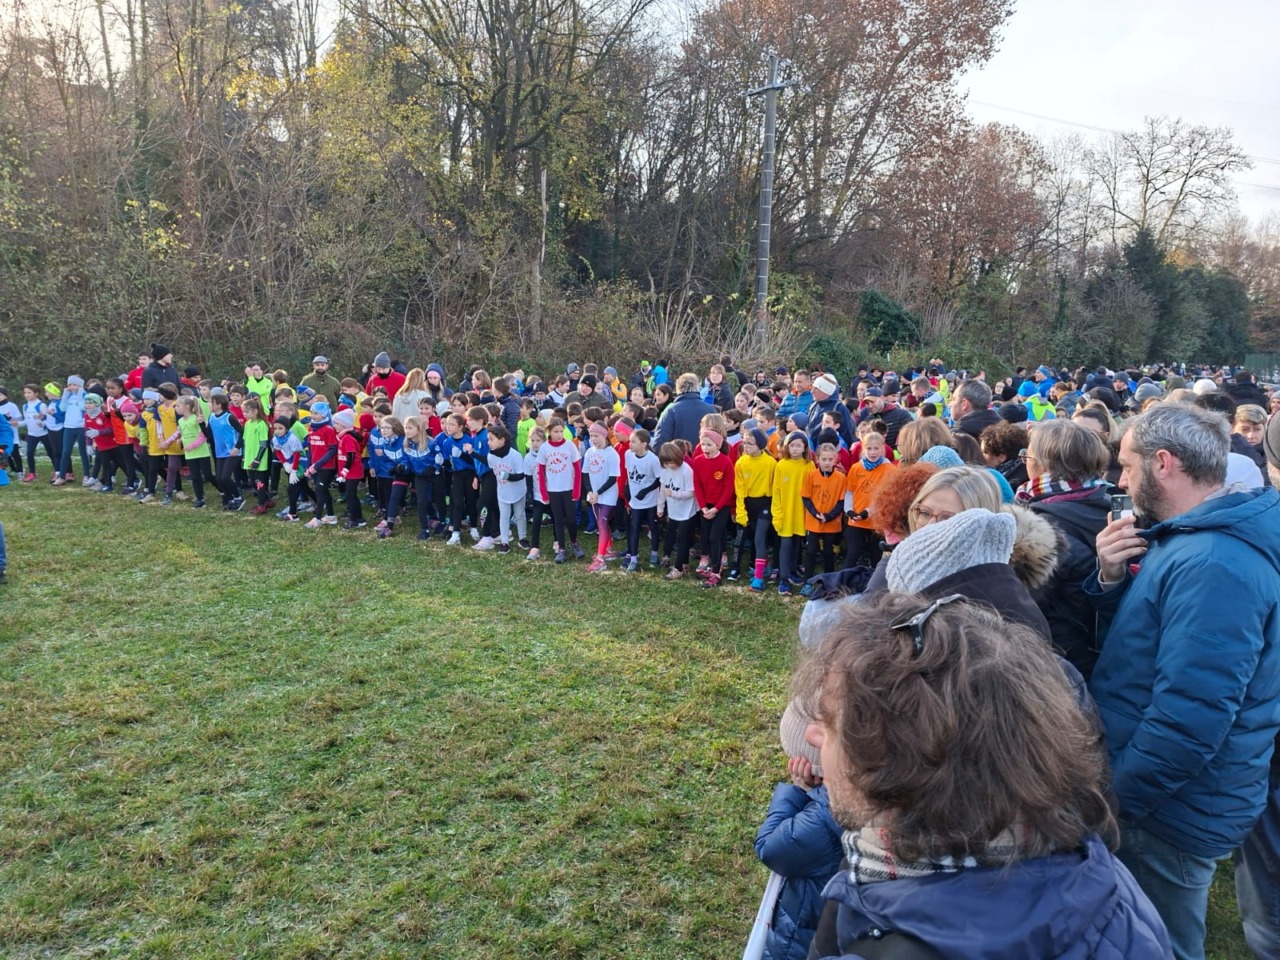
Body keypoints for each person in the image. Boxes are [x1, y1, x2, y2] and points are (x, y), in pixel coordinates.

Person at [794, 593, 1170, 959]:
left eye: (830, 723)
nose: (811, 734)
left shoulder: (901, 928)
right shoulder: (1109, 886)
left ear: (902, 766)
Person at [1086, 403, 1280, 960]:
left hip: (1169, 809)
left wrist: (1116, 801)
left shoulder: (1214, 561)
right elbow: (1151, 642)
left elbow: (1191, 718)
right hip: (1171, 796)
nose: (1122, 482)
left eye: (1127, 466)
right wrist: (1111, 578)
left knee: (1160, 946)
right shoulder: (1194, 538)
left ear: (1163, 463)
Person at [1015, 419, 1112, 680]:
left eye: (1027, 456)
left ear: (1043, 465)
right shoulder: (1110, 502)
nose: (1025, 462)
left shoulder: (1038, 526)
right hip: (1107, 653)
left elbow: (1023, 610)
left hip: (1059, 663)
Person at [732, 427, 776, 590]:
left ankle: (758, 579)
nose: (746, 446)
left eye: (750, 443)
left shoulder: (771, 463)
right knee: (751, 538)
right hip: (748, 503)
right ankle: (763, 566)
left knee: (759, 538)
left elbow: (775, 488)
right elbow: (739, 490)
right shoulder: (741, 463)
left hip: (765, 503)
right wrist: (740, 511)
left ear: (761, 445)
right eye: (744, 442)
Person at [536, 417, 583, 563]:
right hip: (553, 490)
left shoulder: (570, 446)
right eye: (556, 432)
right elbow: (541, 472)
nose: (559, 434)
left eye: (561, 431)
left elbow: (577, 469)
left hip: (568, 489)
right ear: (549, 432)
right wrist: (543, 492)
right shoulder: (544, 448)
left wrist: (577, 490)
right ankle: (561, 549)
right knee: (558, 520)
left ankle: (574, 542)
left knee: (571, 519)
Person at [772, 431, 812, 596]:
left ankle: (793, 570)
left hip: (801, 512)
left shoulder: (809, 466)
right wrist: (777, 513)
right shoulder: (781, 465)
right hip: (786, 513)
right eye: (792, 445)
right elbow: (776, 491)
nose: (795, 449)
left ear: (804, 448)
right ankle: (784, 579)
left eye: (798, 446)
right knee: (786, 544)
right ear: (787, 447)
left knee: (797, 543)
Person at [582, 422, 620, 572]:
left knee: (602, 522)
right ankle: (608, 549)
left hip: (607, 495)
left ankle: (600, 559)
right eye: (591, 436)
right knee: (601, 523)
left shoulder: (611, 453)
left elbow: (613, 478)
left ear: (604, 435)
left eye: (596, 436)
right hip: (594, 495)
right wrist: (590, 491)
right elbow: (585, 473)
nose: (593, 439)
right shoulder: (589, 452)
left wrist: (598, 492)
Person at [623, 427, 661, 572]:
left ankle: (654, 553)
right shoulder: (628, 455)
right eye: (630, 441)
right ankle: (633, 558)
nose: (630, 444)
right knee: (634, 528)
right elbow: (628, 474)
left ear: (644, 444)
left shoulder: (652, 459)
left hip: (650, 501)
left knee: (653, 526)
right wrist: (627, 489)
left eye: (634, 442)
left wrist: (645, 491)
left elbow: (659, 480)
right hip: (635, 501)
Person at [486, 423, 526, 554]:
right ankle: (504, 542)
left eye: (491, 439)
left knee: (520, 514)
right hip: (503, 491)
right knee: (504, 516)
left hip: (518, 490)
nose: (488, 443)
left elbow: (521, 475)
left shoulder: (515, 455)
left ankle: (522, 538)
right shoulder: (491, 456)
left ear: (502, 440)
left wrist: (508, 476)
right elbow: (493, 470)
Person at [653, 373, 715, 448]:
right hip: (705, 453)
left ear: (678, 388)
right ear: (697, 386)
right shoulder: (710, 410)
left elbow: (660, 442)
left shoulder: (671, 411)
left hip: (678, 454)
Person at [302, 402, 339, 528]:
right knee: (323, 490)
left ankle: (317, 518)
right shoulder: (311, 427)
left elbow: (332, 449)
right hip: (315, 466)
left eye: (316, 413)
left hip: (327, 466)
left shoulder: (329, 429)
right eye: (311, 413)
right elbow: (310, 448)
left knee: (319, 489)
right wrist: (309, 465)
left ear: (324, 414)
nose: (313, 416)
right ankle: (331, 515)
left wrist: (317, 465)